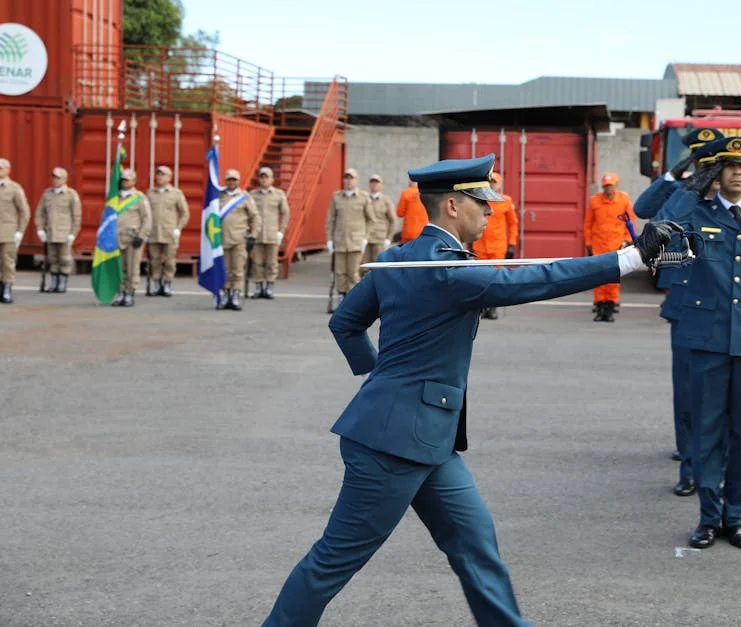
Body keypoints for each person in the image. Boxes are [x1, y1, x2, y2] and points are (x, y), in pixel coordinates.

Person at [260, 153, 679, 626]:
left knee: (477, 548)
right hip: (392, 445)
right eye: (483, 203)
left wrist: (383, 380)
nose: (490, 210)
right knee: (333, 562)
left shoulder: (397, 259)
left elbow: (345, 323)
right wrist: (631, 257)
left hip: (426, 438)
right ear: (453, 206)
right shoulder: (448, 272)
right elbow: (539, 279)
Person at [659, 136, 741, 550]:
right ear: (717, 173)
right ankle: (707, 517)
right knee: (706, 432)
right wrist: (692, 188)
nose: (737, 172)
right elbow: (659, 233)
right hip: (707, 339)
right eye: (728, 166)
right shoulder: (695, 213)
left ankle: (736, 517)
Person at [634, 127, 723, 473]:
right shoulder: (683, 193)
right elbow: (646, 211)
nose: (705, 166)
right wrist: (676, 175)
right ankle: (688, 452)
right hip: (686, 296)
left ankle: (713, 450)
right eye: (699, 159)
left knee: (718, 386)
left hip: (722, 297)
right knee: (686, 382)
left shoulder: (730, 200)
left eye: (711, 160)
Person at [584, 172, 635, 322]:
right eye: (606, 186)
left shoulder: (623, 200)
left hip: (617, 245)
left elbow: (630, 221)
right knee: (599, 276)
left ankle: (610, 305)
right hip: (598, 245)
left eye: (611, 186)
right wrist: (588, 243)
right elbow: (588, 224)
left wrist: (628, 240)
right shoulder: (594, 201)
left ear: (616, 186)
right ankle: (600, 305)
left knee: (614, 276)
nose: (608, 189)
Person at [473, 172, 519, 320]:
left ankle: (492, 308)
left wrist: (512, 244)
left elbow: (513, 224)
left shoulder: (506, 201)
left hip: (498, 246)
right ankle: (482, 307)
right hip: (480, 245)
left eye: (494, 182)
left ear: (500, 184)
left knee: (496, 278)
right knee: (480, 278)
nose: (492, 185)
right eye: (490, 182)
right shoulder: (480, 200)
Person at [326, 168, 374, 303]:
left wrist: (365, 238)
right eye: (346, 178)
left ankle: (352, 299)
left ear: (356, 180)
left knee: (353, 272)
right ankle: (341, 296)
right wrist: (329, 240)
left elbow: (371, 220)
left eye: (351, 178)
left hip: (356, 241)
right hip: (340, 241)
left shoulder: (363, 197)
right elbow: (330, 220)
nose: (348, 181)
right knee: (340, 272)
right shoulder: (336, 197)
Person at [35, 167, 81, 293]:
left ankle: (62, 282)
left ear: (65, 179)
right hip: (51, 232)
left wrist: (73, 233)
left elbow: (76, 216)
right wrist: (40, 229)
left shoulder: (71, 194)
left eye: (58, 178)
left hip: (64, 232)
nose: (55, 180)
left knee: (64, 258)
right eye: (54, 177)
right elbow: (40, 212)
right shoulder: (47, 194)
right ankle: (54, 282)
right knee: (52, 258)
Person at [218, 169, 259, 311]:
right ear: (225, 181)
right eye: (229, 179)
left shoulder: (245, 197)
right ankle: (225, 294)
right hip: (221, 239)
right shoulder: (218, 196)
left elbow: (255, 217)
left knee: (237, 269)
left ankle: (235, 295)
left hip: (239, 239)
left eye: (234, 180)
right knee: (224, 270)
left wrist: (253, 235)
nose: (231, 182)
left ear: (238, 181)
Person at [146, 165, 190, 297]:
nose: (159, 177)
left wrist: (178, 228)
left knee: (170, 261)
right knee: (154, 260)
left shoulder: (176, 193)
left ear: (169, 177)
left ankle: (167, 283)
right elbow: (145, 213)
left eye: (163, 174)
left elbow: (185, 213)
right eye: (158, 174)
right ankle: (156, 282)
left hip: (170, 233)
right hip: (153, 232)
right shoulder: (150, 193)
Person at [111, 169, 152, 307]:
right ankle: (120, 292)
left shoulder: (139, 198)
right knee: (118, 267)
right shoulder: (114, 197)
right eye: (123, 180)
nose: (124, 182)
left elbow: (147, 219)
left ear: (134, 181)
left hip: (133, 239)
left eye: (127, 180)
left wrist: (141, 236)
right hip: (116, 238)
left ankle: (130, 293)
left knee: (132, 268)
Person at [249, 166, 290, 299]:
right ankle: (258, 286)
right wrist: (249, 230)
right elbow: (248, 213)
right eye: (262, 177)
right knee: (257, 262)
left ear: (272, 179)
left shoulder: (278, 194)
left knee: (272, 263)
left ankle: (269, 286)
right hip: (257, 234)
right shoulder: (252, 195)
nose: (264, 180)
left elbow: (285, 213)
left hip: (272, 234)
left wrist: (281, 231)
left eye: (267, 177)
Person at [0, 157, 30, 304]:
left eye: (1, 168)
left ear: (8, 170)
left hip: (7, 231)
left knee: (7, 261)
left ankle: (7, 288)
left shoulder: (14, 188)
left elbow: (24, 211)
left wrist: (20, 231)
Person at [362, 174, 396, 272]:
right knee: (364, 267)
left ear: (381, 185)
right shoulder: (364, 199)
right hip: (365, 238)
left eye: (376, 182)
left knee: (378, 267)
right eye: (372, 182)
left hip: (380, 239)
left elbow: (392, 220)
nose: (374, 185)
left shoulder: (386, 201)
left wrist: (388, 238)